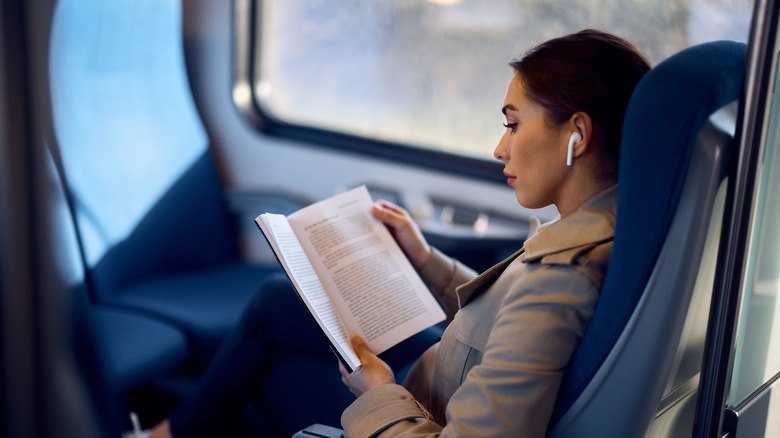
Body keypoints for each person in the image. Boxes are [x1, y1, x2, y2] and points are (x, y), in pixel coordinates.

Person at [149, 28, 651, 437]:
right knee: (278, 300)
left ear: (577, 135)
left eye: (514, 125)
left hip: (425, 403)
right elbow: (503, 322)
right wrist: (422, 255)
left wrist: (377, 394)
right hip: (443, 366)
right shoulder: (604, 228)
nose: (501, 149)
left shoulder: (564, 277)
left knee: (275, 370)